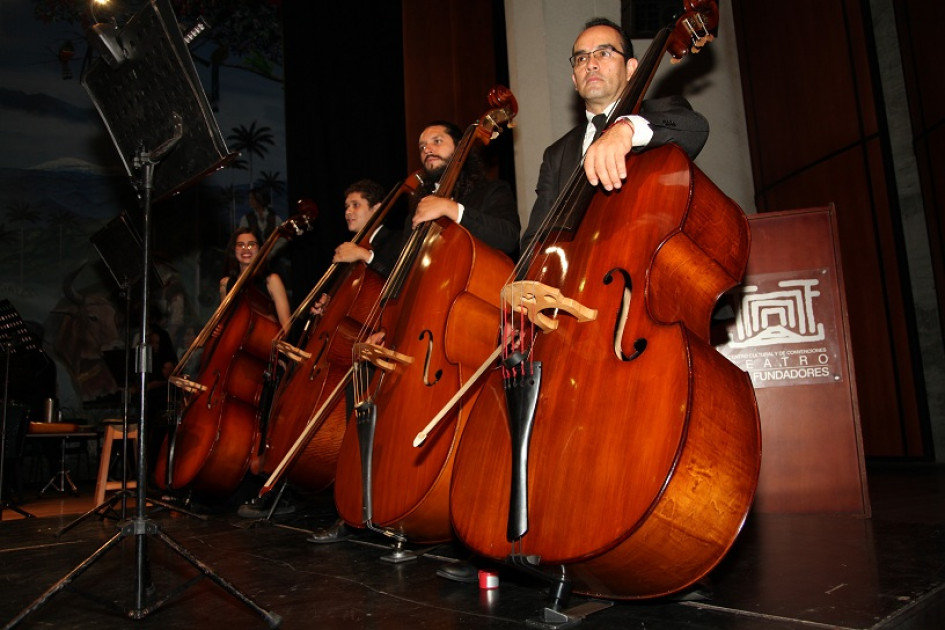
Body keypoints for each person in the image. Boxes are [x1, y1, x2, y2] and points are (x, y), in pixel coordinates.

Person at [520, 16, 710, 251]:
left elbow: (695, 128)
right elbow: (534, 240)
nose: (590, 64)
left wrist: (626, 127)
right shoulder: (555, 155)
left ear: (631, 68)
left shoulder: (659, 112)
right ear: (575, 80)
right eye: (581, 58)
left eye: (604, 53)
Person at [220, 227, 291, 333]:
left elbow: (286, 326)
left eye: (251, 244)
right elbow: (225, 324)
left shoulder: (272, 280)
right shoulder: (225, 283)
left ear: (259, 249)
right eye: (240, 245)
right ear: (234, 250)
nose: (246, 249)